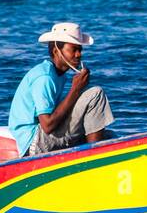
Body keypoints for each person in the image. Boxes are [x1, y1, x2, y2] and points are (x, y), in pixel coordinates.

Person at [8, 22, 115, 157]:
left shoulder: (58, 75)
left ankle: (94, 154)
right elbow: (47, 125)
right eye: (73, 49)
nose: (78, 55)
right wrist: (75, 90)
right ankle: (93, 158)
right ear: (56, 51)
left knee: (109, 136)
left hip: (43, 138)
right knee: (95, 94)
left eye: (80, 50)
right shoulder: (45, 77)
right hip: (34, 144)